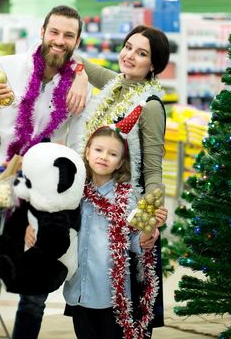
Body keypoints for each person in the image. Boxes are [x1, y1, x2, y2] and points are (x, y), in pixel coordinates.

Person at [0, 5, 90, 339]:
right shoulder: (5, 68)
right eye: (55, 32)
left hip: (40, 202)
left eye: (68, 35)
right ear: (42, 32)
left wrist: (83, 75)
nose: (59, 41)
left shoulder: (77, 89)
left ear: (77, 41)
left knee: (34, 295)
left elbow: (76, 153)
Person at [66, 24, 171, 334]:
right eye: (128, 47)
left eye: (141, 54)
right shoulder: (114, 85)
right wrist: (78, 71)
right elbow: (79, 60)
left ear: (153, 65)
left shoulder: (149, 106)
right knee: (89, 304)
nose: (130, 56)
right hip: (93, 206)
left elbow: (153, 167)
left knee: (125, 314)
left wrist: (149, 219)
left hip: (127, 215)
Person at [62, 123, 168, 339]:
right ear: (88, 151)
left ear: (120, 162)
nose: (104, 157)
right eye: (98, 150)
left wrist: (150, 229)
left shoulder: (129, 198)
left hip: (112, 295)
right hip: (79, 292)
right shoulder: (74, 191)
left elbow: (136, 242)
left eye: (112, 154)